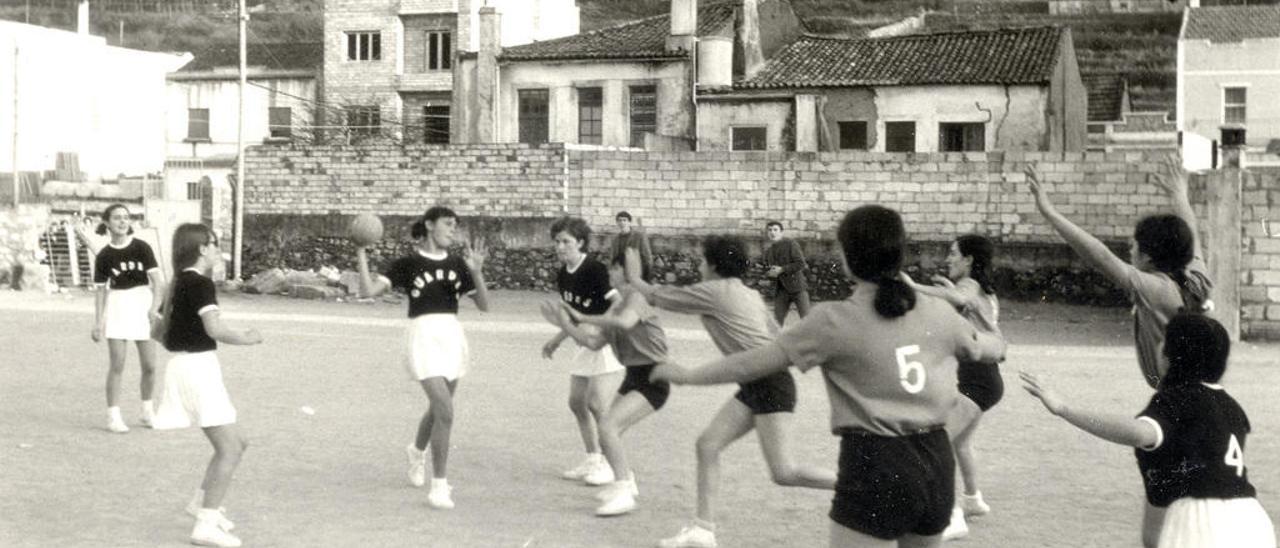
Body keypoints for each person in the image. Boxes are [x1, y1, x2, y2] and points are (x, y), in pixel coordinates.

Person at [654, 205, 1005, 548]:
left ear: (848, 258)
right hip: (936, 465)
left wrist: (687, 375)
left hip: (874, 461)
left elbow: (750, 364)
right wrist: (990, 329)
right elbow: (991, 347)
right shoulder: (938, 313)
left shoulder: (832, 320)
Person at [619, 237, 835, 548]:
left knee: (784, 471)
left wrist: (635, 277)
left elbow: (658, 296)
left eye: (703, 261)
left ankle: (860, 488)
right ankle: (703, 531)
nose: (699, 266)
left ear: (714, 265)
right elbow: (775, 336)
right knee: (708, 445)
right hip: (762, 382)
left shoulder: (715, 291)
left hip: (769, 383)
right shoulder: (747, 293)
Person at [1022, 313, 1275, 548]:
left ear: (1171, 356)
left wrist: (1064, 409)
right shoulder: (1232, 408)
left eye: (1163, 339)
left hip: (1202, 525)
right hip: (1253, 524)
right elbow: (1155, 522)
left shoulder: (1176, 400)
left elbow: (1139, 433)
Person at [1026, 155, 1211, 388]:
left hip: (1178, 394)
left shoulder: (1155, 289)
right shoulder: (1194, 276)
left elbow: (1099, 255)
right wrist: (1179, 195)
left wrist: (1050, 212)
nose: (1130, 251)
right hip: (1197, 388)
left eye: (1134, 246)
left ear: (1149, 257)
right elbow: (1191, 233)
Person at [354, 206, 490, 510]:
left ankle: (416, 451)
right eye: (447, 224)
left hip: (451, 335)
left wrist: (477, 273)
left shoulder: (458, 263)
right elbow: (367, 291)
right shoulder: (408, 263)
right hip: (423, 336)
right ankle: (439, 486)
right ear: (429, 225)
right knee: (445, 410)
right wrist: (362, 251)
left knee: (440, 410)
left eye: (455, 226)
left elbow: (484, 305)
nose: (452, 230)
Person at [151, 223, 263, 548]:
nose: (217, 250)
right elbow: (213, 328)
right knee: (229, 449)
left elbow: (157, 332)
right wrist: (248, 337)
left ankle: (201, 503)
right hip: (198, 369)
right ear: (202, 248)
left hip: (187, 366)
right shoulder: (199, 283)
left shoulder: (177, 282)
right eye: (214, 244)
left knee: (239, 442)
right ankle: (205, 525)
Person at [540, 248, 671, 517]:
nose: (609, 272)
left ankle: (623, 492)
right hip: (635, 377)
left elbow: (623, 324)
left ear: (626, 271)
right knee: (608, 429)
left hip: (654, 378)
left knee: (608, 426)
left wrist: (580, 315)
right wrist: (564, 324)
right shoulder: (618, 305)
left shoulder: (636, 297)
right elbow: (590, 342)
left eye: (613, 267)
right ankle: (627, 482)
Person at [903, 235, 1004, 540]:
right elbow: (961, 302)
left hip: (978, 383)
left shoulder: (969, 286)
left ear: (969, 260)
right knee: (959, 443)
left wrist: (914, 286)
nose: (948, 258)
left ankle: (953, 516)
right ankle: (973, 500)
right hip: (985, 380)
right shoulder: (983, 290)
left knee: (937, 445)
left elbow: (961, 299)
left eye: (953, 253)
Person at [542, 216, 625, 485]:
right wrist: (557, 339)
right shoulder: (563, 274)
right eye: (556, 241)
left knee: (597, 404)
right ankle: (593, 460)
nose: (560, 246)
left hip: (603, 342)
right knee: (576, 402)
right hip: (582, 340)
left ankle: (613, 467)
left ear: (580, 242)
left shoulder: (594, 269)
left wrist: (603, 329)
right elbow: (573, 315)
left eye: (566, 241)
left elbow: (619, 302)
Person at [90, 203, 163, 433]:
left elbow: (158, 282)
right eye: (117, 218)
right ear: (107, 223)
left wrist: (154, 308)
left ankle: (147, 412)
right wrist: (98, 322)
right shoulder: (103, 256)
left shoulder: (142, 247)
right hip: (119, 306)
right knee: (117, 365)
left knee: (150, 365)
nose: (122, 222)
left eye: (126, 217)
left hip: (142, 303)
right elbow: (101, 291)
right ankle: (113, 416)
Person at [762, 220, 810, 326]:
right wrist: (769, 274)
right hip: (781, 291)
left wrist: (782, 269)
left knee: (807, 321)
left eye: (775, 230)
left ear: (781, 232)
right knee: (776, 323)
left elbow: (801, 263)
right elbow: (767, 270)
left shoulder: (790, 244)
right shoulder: (768, 251)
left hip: (798, 288)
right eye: (769, 230)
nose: (772, 233)